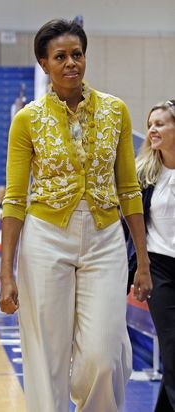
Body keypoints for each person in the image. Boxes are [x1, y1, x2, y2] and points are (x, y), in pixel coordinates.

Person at [0, 19, 152, 412]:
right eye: (60, 56)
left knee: (103, 357)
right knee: (46, 356)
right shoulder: (26, 120)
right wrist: (6, 272)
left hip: (105, 240)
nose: (71, 63)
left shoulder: (116, 111)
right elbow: (15, 199)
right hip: (45, 239)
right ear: (43, 63)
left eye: (77, 54)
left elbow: (129, 189)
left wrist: (144, 258)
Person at [127, 100, 175, 411]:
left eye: (160, 123)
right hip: (160, 269)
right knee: (172, 350)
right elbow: (131, 227)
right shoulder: (144, 173)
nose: (152, 129)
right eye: (150, 124)